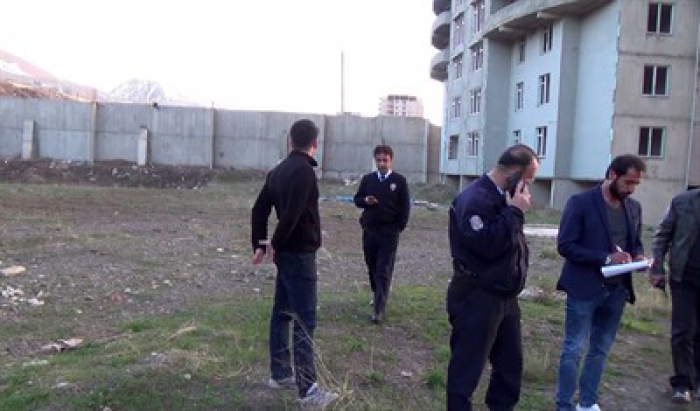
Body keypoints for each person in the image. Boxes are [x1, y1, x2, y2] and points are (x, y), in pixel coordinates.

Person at [251, 119, 338, 408]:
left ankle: (280, 373)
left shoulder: (278, 171)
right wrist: (272, 243)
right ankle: (308, 390)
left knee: (283, 313)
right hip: (298, 255)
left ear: (290, 141)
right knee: (303, 320)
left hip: (287, 255)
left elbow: (259, 210)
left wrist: (260, 243)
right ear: (315, 144)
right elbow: (292, 215)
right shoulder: (304, 172)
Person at [446, 144, 539, 410]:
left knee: (509, 369)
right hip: (476, 296)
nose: (528, 188)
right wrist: (515, 213)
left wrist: (513, 211)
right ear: (513, 173)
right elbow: (486, 245)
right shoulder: (475, 199)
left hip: (505, 298)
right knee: (466, 371)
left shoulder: (506, 197)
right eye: (527, 180)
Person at [554, 154, 647, 411]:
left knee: (600, 350)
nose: (632, 189)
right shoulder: (580, 203)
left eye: (636, 184)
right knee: (573, 348)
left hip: (617, 291)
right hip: (585, 288)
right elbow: (565, 246)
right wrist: (606, 257)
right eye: (628, 182)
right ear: (612, 175)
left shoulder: (634, 207)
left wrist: (638, 257)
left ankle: (587, 403)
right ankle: (564, 405)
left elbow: (635, 242)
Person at [650, 188, 700, 404]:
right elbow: (663, 235)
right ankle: (682, 383)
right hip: (685, 277)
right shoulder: (683, 202)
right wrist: (657, 267)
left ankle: (697, 380)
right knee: (683, 330)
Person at [353, 145, 410, 324]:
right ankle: (377, 293)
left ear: (391, 160)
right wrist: (365, 201)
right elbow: (357, 199)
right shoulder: (368, 180)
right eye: (379, 160)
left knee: (383, 269)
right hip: (370, 230)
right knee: (371, 265)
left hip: (389, 232)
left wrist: (398, 228)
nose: (382, 163)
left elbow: (405, 208)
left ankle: (379, 308)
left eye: (385, 160)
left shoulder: (399, 181)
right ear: (375, 161)